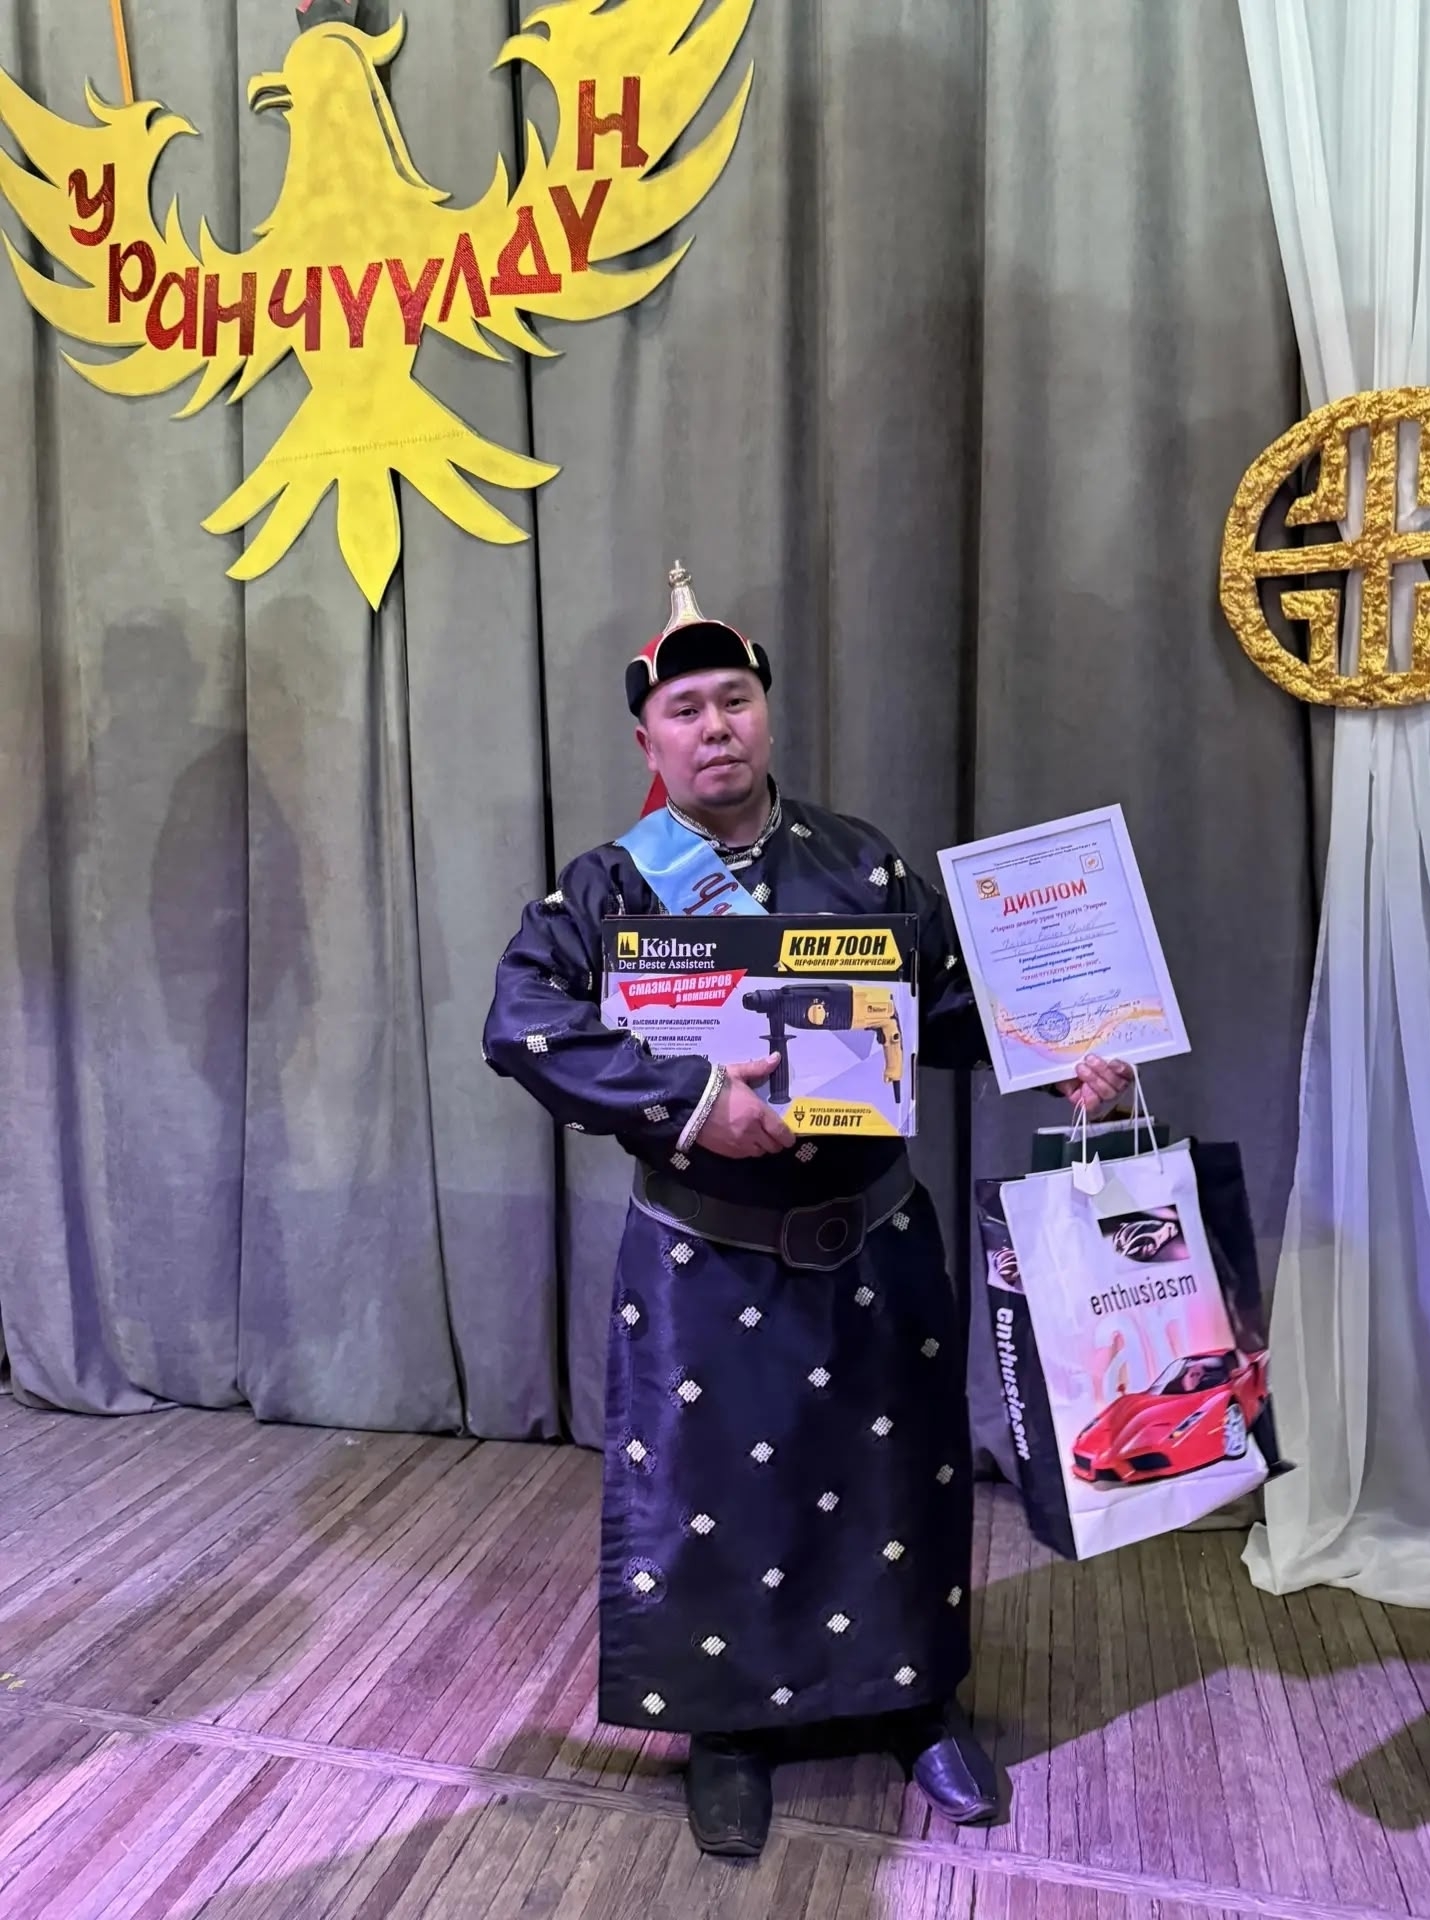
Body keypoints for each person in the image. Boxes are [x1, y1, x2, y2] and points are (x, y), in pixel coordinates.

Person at [483, 564, 1131, 1857]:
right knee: (712, 1500)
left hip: (876, 1235)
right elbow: (523, 1023)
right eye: (686, 711)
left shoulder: (860, 858)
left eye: (735, 701)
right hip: (703, 1252)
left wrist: (1060, 1047)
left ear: (767, 714)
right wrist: (689, 1100)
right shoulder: (612, 886)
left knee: (899, 1483)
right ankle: (725, 1734)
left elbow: (946, 1005)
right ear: (649, 742)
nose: (715, 727)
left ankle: (916, 1703)